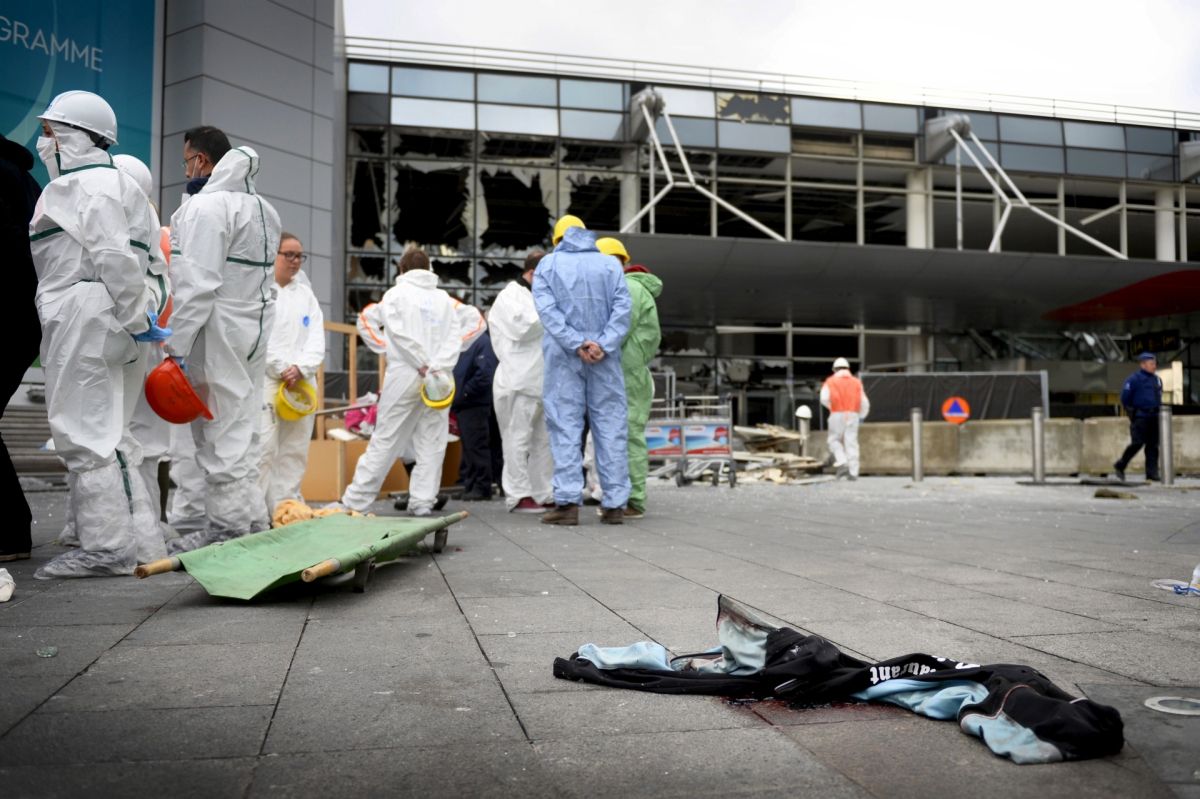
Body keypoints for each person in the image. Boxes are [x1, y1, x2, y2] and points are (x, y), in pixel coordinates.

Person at [28, 91, 171, 578]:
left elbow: (114, 259)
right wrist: (139, 317)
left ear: (74, 136)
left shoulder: (85, 186)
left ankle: (107, 549)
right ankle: (143, 542)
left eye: (50, 131)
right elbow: (147, 267)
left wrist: (133, 316)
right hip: (105, 314)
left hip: (86, 313)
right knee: (112, 435)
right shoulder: (116, 185)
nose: (44, 140)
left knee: (85, 435)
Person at [166, 128, 282, 551]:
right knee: (244, 427)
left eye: (187, 161)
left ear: (201, 160)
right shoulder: (266, 209)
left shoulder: (207, 207)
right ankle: (250, 519)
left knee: (220, 430)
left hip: (218, 329)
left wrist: (175, 345)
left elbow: (196, 285)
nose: (186, 171)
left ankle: (227, 530)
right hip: (254, 327)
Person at [342, 248, 484, 516]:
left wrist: (388, 348)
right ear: (429, 269)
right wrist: (443, 360)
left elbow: (375, 324)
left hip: (406, 371)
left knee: (386, 438)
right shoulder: (445, 300)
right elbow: (477, 322)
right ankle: (422, 502)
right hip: (440, 377)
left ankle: (356, 500)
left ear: (401, 269)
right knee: (432, 441)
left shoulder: (395, 295)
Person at [534, 216, 632, 526]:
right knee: (611, 427)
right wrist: (603, 344)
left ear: (558, 240)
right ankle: (615, 504)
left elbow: (547, 312)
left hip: (564, 357)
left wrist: (576, 342)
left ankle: (567, 504)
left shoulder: (548, 266)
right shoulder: (610, 265)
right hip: (605, 359)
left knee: (565, 426)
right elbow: (623, 309)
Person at [258, 233, 325, 514]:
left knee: (295, 449)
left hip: (301, 381)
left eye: (299, 256)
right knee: (264, 446)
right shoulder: (261, 291)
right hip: (269, 379)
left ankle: (285, 508)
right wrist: (281, 367)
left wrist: (301, 368)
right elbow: (258, 335)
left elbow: (316, 337)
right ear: (274, 255)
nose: (295, 261)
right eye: (289, 255)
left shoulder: (305, 295)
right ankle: (257, 512)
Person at [596, 237, 662, 520]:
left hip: (627, 374)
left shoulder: (630, 288)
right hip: (626, 372)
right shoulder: (626, 287)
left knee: (629, 437)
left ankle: (633, 499)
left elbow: (618, 329)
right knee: (621, 437)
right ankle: (623, 496)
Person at [0, 134, 42, 562]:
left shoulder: (5, 176)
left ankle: (12, 533)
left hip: (8, 317)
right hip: (23, 319)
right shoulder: (25, 179)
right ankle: (12, 531)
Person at [489, 251, 553, 513]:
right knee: (517, 439)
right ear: (533, 273)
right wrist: (554, 311)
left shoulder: (538, 296)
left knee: (543, 441)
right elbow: (524, 328)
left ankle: (543, 492)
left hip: (541, 380)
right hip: (518, 379)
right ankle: (518, 494)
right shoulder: (510, 296)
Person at [452, 328, 502, 500]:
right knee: (469, 447)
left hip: (474, 403)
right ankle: (471, 485)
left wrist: (464, 392)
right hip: (466, 402)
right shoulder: (469, 341)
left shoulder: (480, 342)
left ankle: (482, 486)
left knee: (477, 446)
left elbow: (484, 375)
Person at [1113, 352, 1162, 482]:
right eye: (1151, 364)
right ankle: (1120, 465)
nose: (1154, 366)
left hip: (1154, 416)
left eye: (1154, 364)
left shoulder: (1156, 380)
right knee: (1137, 443)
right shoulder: (1134, 379)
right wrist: (1133, 413)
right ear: (1143, 365)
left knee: (1153, 446)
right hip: (1141, 416)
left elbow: (1159, 396)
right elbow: (1125, 398)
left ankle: (1152, 473)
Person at [821, 357, 870, 480]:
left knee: (834, 440)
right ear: (848, 368)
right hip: (853, 414)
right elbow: (864, 402)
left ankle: (842, 462)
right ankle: (853, 472)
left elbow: (824, 398)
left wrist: (832, 407)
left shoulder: (830, 381)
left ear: (834, 369)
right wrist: (861, 416)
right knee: (851, 442)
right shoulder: (856, 382)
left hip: (836, 413)